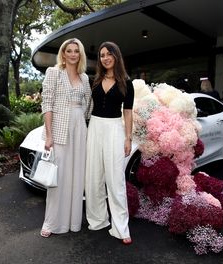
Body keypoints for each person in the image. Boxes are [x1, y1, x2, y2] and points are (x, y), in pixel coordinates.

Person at [40, 38, 92, 237]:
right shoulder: (53, 73)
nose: (72, 54)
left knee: (77, 176)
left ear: (80, 54)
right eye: (68, 50)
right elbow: (47, 103)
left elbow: (89, 104)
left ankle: (73, 222)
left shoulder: (85, 77)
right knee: (58, 177)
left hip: (79, 129)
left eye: (76, 51)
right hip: (59, 130)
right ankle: (51, 223)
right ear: (63, 53)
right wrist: (49, 135)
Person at [85, 41, 134, 245]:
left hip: (115, 129)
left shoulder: (126, 82)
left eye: (109, 54)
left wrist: (128, 138)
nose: (105, 58)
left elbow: (128, 112)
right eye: (102, 55)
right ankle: (98, 220)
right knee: (94, 177)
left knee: (116, 180)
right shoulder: (94, 81)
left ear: (116, 56)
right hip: (95, 128)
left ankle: (121, 228)